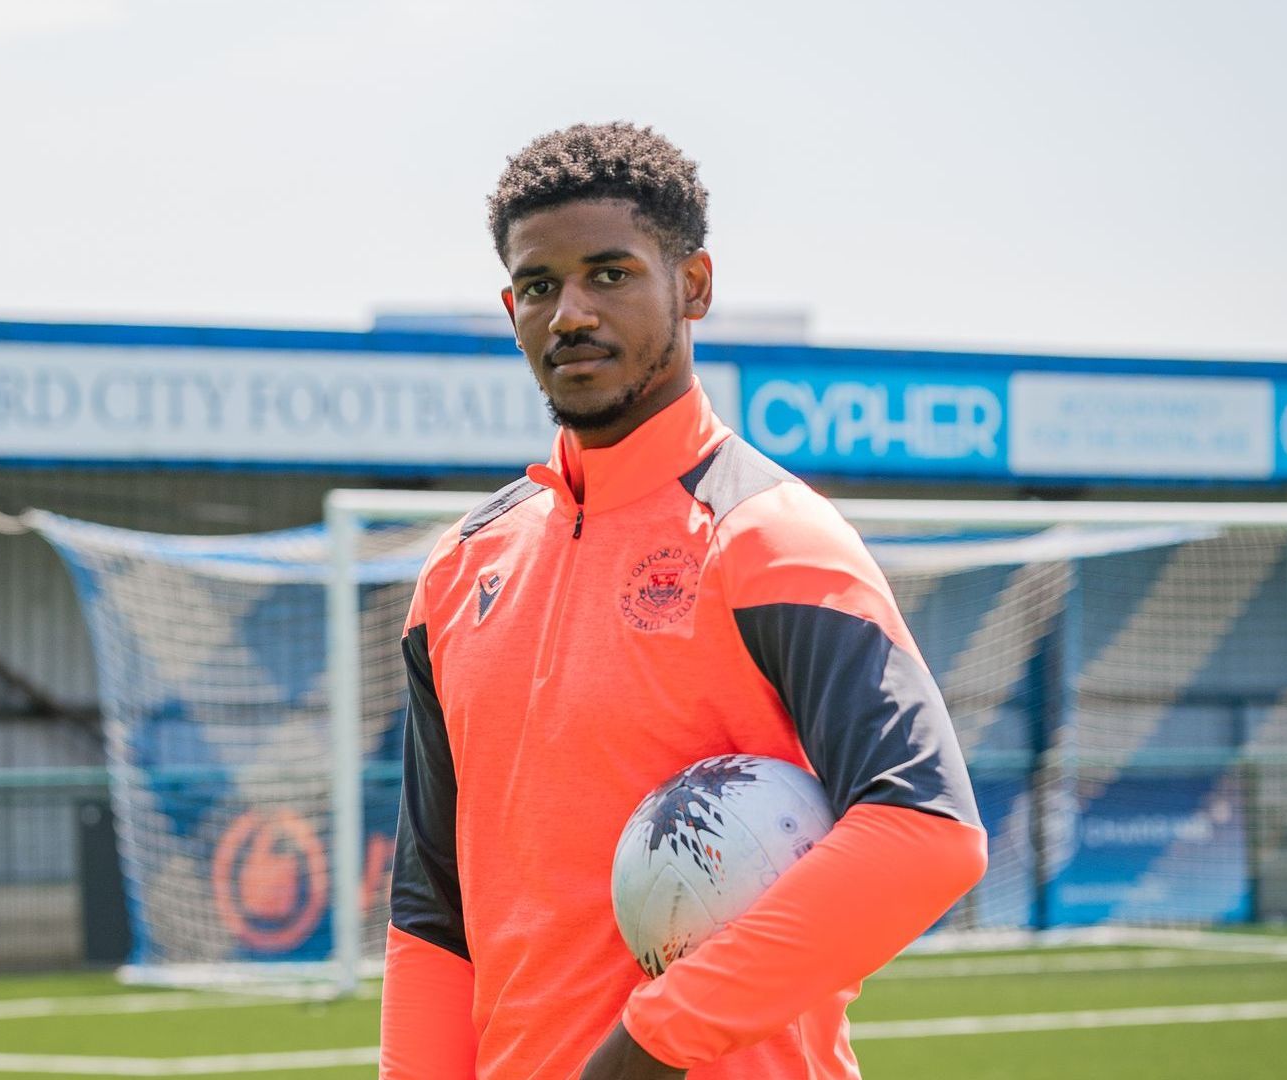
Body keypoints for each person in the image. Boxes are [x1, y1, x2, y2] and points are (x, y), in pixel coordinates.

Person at [379, 123, 988, 1079]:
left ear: (693, 286)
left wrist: (659, 1037)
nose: (570, 312)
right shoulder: (457, 574)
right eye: (540, 287)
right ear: (511, 308)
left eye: (610, 274)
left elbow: (926, 832)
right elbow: (431, 909)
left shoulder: (773, 537)